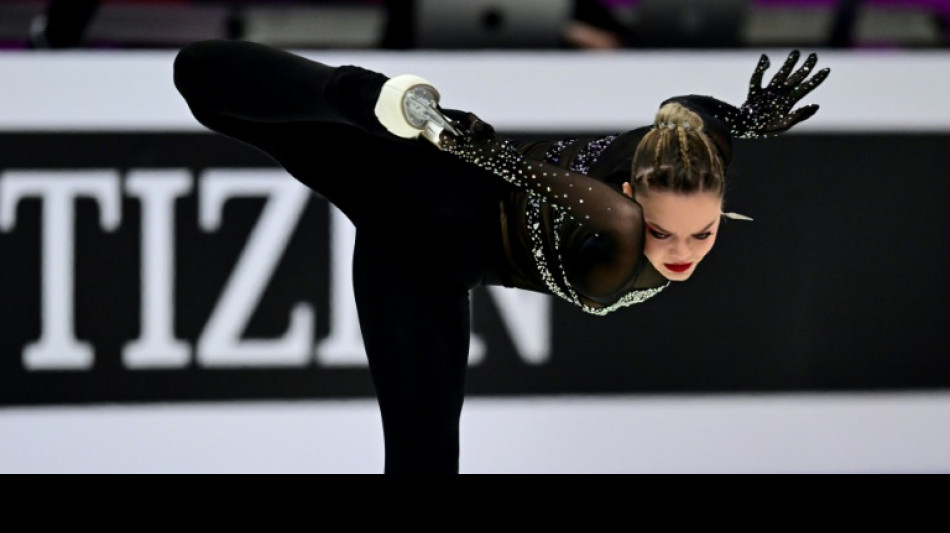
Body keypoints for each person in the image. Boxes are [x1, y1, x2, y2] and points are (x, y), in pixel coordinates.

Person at [173, 40, 829, 473]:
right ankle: (369, 96)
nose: (683, 253)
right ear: (632, 196)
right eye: (667, 234)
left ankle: (377, 105)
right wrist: (459, 141)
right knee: (198, 77)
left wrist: (734, 120)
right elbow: (543, 179)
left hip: (424, 266)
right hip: (425, 187)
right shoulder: (624, 226)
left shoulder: (693, 158)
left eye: (703, 233)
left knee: (422, 457)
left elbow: (686, 114)